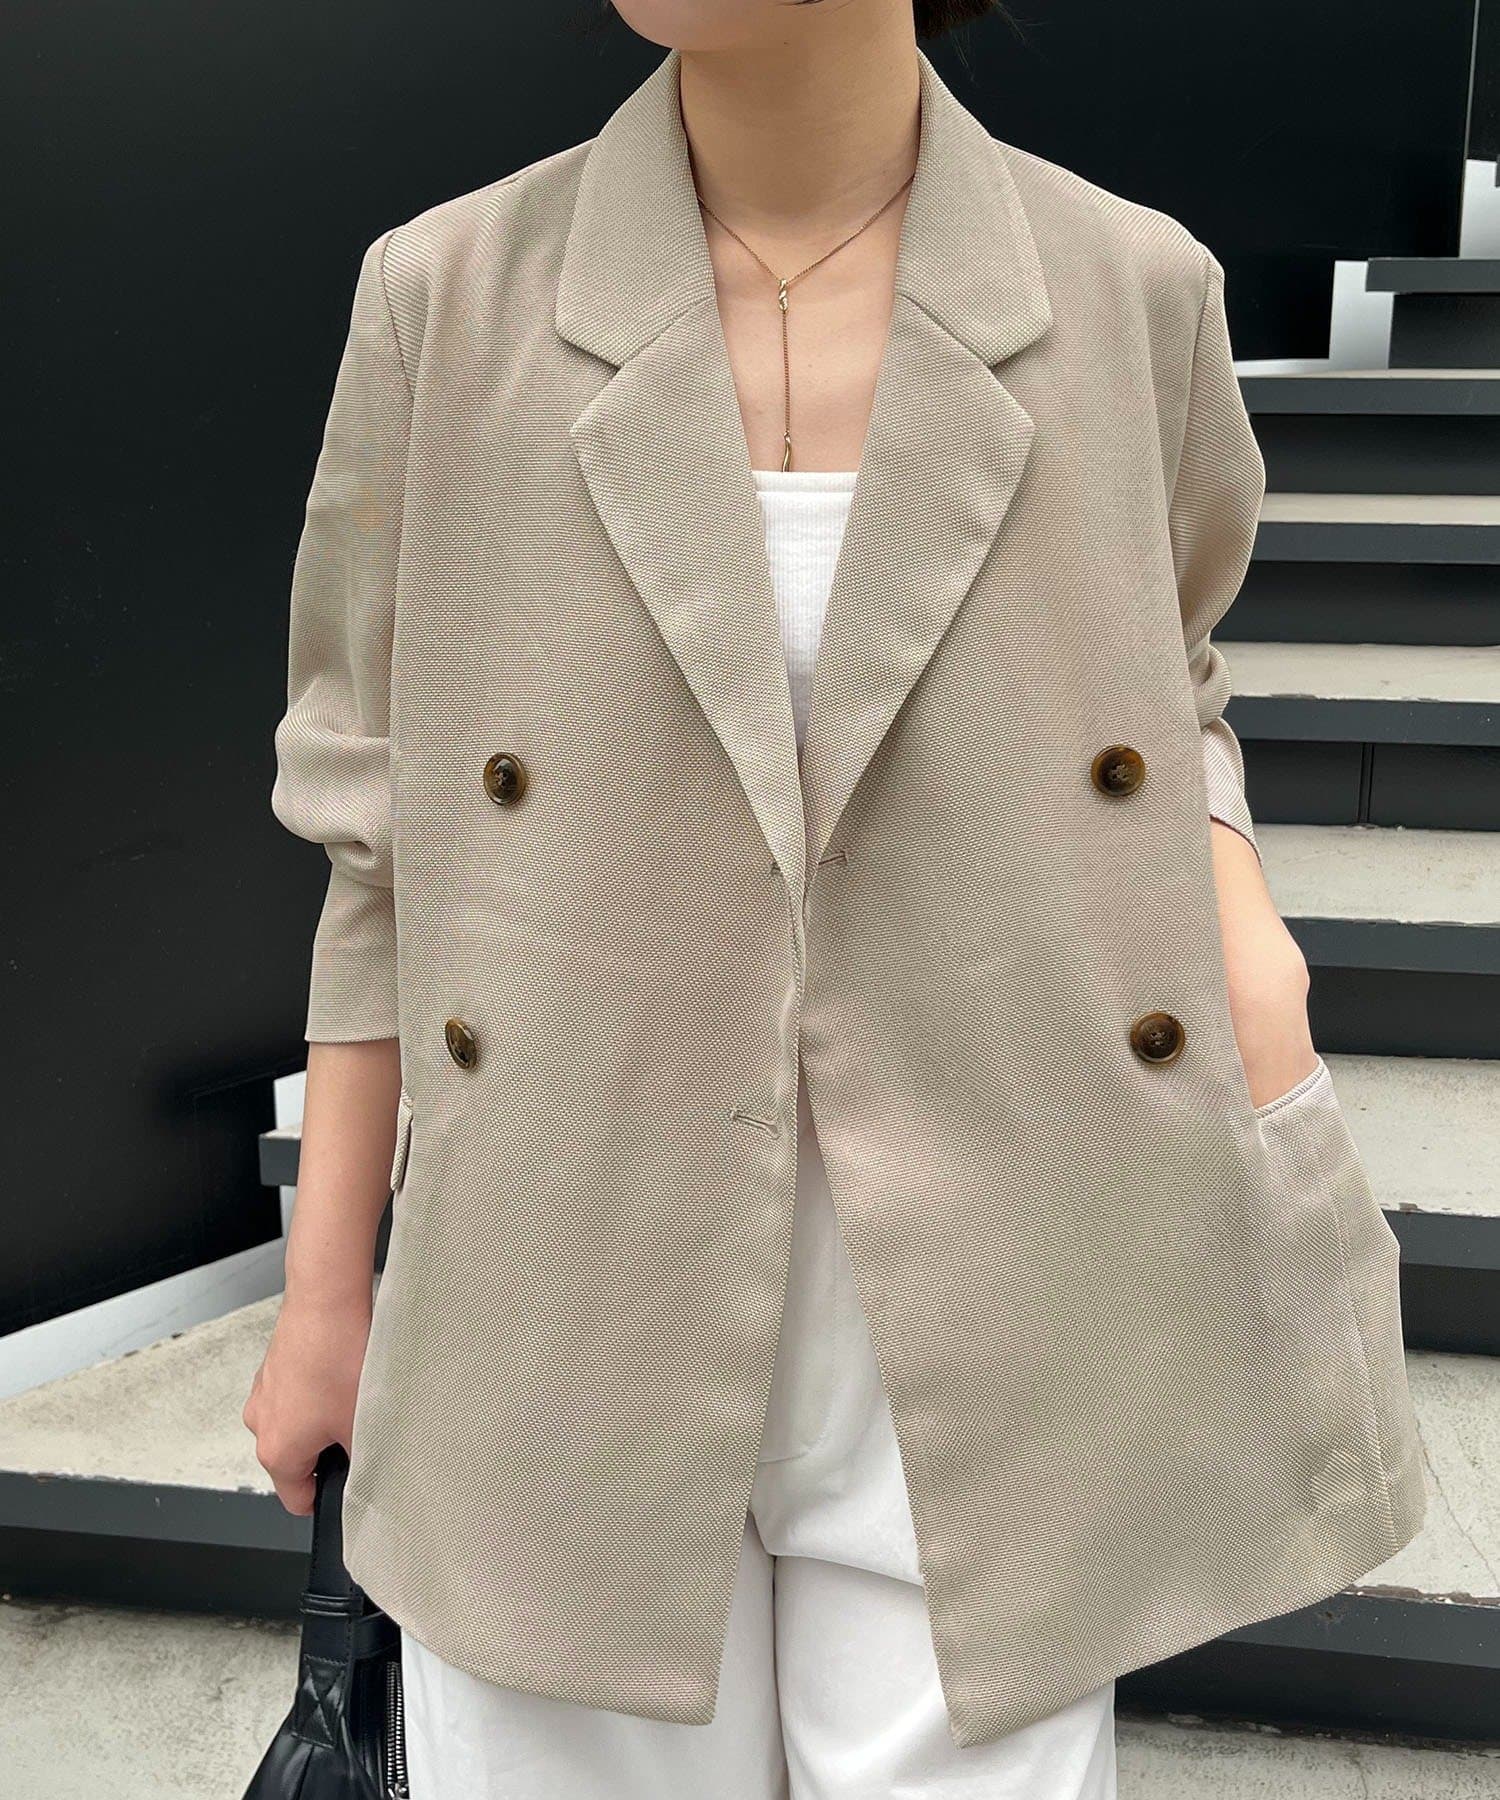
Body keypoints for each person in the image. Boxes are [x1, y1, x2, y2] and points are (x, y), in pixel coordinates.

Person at [245, 2, 1426, 1794]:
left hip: (1001, 1253)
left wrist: (1238, 910)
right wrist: (328, 1293)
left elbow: (1167, 665)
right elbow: (375, 829)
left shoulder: (1129, 292)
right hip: (566, 1278)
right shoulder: (449, 298)